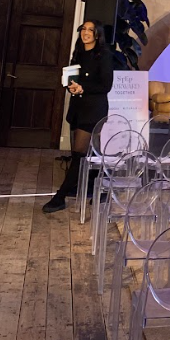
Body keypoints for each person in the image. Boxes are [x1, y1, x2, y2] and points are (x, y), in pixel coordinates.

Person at [42, 19, 114, 213]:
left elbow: (106, 86)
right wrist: (69, 84)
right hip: (77, 108)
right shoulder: (79, 52)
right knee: (86, 154)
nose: (86, 33)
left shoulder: (104, 55)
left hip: (93, 110)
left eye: (91, 30)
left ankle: (60, 196)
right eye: (84, 29)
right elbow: (75, 79)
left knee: (79, 154)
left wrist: (83, 87)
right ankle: (101, 190)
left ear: (98, 34)